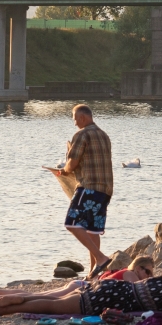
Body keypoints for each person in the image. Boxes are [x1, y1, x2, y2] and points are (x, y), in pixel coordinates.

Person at [44, 104, 114, 275]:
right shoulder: (104, 135)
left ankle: (101, 258)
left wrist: (63, 171)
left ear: (82, 117)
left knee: (72, 223)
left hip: (88, 187)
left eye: (75, 118)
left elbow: (72, 163)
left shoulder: (82, 135)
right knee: (92, 230)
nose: (74, 122)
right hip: (105, 189)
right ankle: (94, 272)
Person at [0, 257, 155, 314]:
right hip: (83, 288)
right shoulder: (131, 274)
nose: (149, 276)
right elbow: (137, 290)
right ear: (138, 268)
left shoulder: (123, 271)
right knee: (46, 298)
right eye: (148, 272)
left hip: (81, 285)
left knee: (42, 295)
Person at [0, 274, 162, 318]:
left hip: (107, 287)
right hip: (103, 301)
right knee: (52, 307)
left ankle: (21, 298)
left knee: (56, 299)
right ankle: (9, 308)